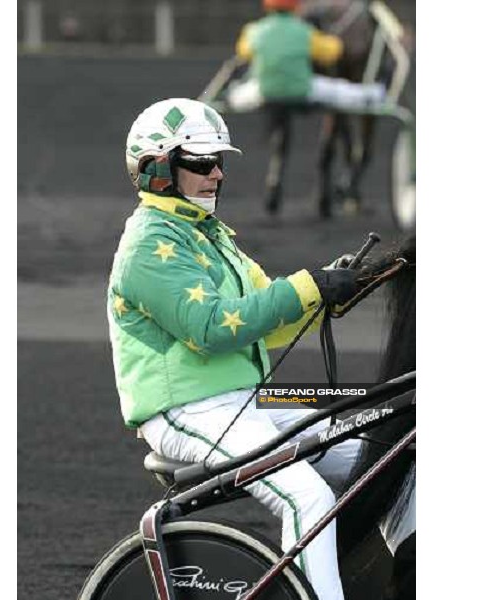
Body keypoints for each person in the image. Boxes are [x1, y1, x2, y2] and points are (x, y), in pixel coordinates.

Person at [108, 97, 364, 600]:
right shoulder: (148, 246)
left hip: (248, 402)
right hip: (187, 411)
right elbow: (211, 328)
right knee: (304, 497)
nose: (217, 174)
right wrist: (307, 289)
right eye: (202, 163)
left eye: (219, 162)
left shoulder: (210, 236)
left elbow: (265, 323)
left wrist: (334, 289)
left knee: (379, 447)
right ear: (158, 170)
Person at [230, 0, 386, 214]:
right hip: (302, 90)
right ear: (295, 8)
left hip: (265, 91)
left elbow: (244, 50)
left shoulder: (254, 31)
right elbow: (333, 51)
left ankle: (274, 178)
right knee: (343, 92)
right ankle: (375, 94)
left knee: (237, 93)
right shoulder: (305, 33)